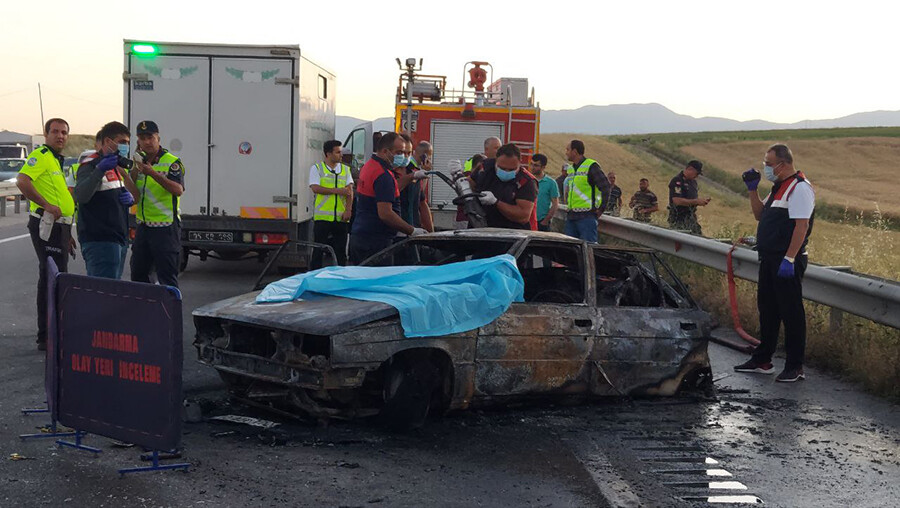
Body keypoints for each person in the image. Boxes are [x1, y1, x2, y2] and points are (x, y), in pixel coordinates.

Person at [734, 144, 815, 383]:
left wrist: (790, 258)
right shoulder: (779, 188)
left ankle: (795, 366)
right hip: (769, 258)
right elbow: (760, 215)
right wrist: (752, 190)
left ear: (783, 163)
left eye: (769, 164)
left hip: (787, 260)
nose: (766, 168)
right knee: (768, 310)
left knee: (791, 313)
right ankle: (762, 360)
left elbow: (802, 226)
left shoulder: (799, 189)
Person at [15, 118, 76, 351]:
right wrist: (46, 205)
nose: (60, 136)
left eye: (64, 133)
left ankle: (52, 333)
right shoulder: (40, 155)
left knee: (55, 278)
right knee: (53, 279)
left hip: (59, 228)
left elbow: (60, 196)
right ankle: (48, 336)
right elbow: (22, 181)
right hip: (46, 225)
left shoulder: (55, 160)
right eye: (55, 132)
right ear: (46, 134)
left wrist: (67, 233)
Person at [74, 121, 140, 279]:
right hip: (100, 240)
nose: (125, 146)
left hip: (118, 238)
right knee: (103, 293)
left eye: (127, 143)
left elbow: (113, 196)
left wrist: (128, 199)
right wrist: (99, 170)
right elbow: (81, 196)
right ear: (108, 142)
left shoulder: (115, 166)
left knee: (113, 291)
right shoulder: (91, 165)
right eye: (122, 142)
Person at [349, 132, 425, 264]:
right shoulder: (383, 175)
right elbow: (385, 213)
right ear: (385, 151)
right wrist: (411, 230)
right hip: (376, 242)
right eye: (399, 152)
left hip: (361, 236)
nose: (403, 156)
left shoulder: (369, 166)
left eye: (407, 153)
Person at [130, 121, 185, 288]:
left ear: (158, 138)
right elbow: (131, 190)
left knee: (167, 277)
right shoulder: (138, 163)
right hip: (143, 227)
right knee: (138, 275)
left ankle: (170, 312)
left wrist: (153, 173)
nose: (147, 142)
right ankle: (143, 311)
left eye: (150, 137)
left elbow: (178, 190)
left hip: (165, 228)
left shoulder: (172, 162)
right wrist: (134, 168)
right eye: (142, 138)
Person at [472, 143, 537, 230]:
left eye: (512, 169)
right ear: (496, 160)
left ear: (520, 162)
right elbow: (470, 183)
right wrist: (458, 177)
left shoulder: (526, 181)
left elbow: (523, 216)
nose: (506, 172)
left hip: (512, 233)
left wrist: (496, 202)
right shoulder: (485, 167)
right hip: (481, 227)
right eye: (502, 168)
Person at [310, 139, 353, 266]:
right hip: (322, 217)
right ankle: (315, 276)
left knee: (340, 252)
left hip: (341, 217)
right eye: (338, 152)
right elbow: (315, 188)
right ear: (328, 154)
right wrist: (338, 191)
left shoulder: (345, 169)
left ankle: (341, 276)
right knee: (318, 251)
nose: (341, 155)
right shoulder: (317, 168)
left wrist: (348, 210)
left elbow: (350, 191)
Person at [563, 139, 610, 242]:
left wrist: (601, 209)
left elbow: (605, 187)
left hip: (587, 216)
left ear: (574, 151)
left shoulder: (591, 166)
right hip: (572, 216)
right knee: (568, 250)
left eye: (568, 149)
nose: (566, 152)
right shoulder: (571, 169)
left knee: (588, 249)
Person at [667, 160, 711, 234]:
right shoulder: (677, 180)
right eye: (696, 174)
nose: (696, 176)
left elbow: (692, 199)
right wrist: (696, 201)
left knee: (698, 237)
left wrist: (701, 201)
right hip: (678, 217)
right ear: (690, 169)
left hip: (690, 216)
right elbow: (677, 201)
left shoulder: (693, 183)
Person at [400, 139, 434, 232]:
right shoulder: (409, 169)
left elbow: (421, 197)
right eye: (429, 157)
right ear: (425, 156)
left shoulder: (417, 170)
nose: (430, 160)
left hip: (413, 223)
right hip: (404, 224)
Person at [529, 153, 559, 231]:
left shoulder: (551, 183)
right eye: (531, 164)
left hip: (541, 221)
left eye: (536, 165)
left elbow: (555, 204)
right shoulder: (527, 180)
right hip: (527, 220)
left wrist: (545, 221)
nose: (532, 167)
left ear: (543, 167)